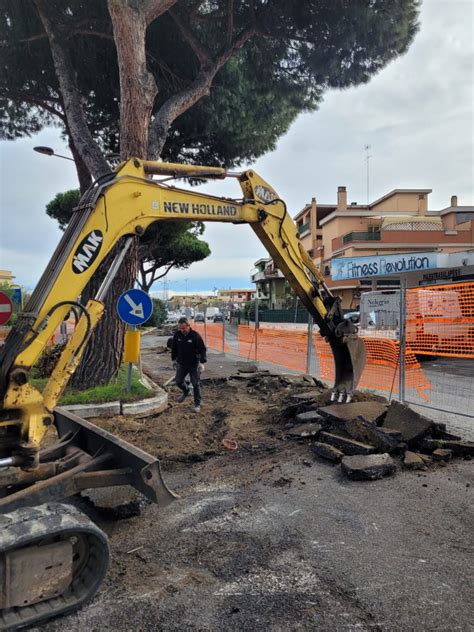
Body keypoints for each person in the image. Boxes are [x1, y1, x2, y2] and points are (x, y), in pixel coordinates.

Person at [171, 317, 207, 413]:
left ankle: (197, 404)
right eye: (180, 328)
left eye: (184, 328)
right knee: (178, 381)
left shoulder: (195, 336)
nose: (182, 330)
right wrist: (173, 360)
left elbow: (202, 349)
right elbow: (174, 348)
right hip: (181, 363)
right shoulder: (177, 335)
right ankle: (186, 391)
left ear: (188, 326)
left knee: (195, 384)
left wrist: (202, 363)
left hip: (194, 364)